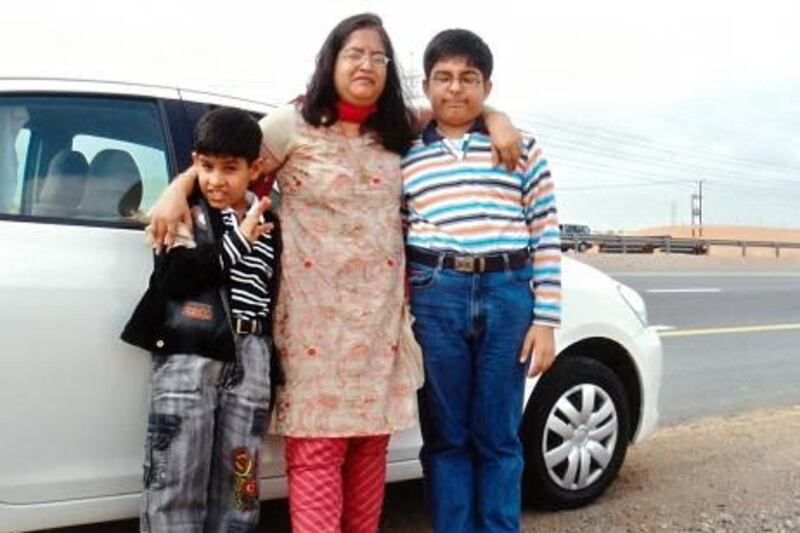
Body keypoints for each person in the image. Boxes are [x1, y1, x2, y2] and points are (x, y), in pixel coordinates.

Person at [147, 14, 521, 533]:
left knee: (369, 454)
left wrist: (498, 119)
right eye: (354, 53)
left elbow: (457, 106)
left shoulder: (399, 127)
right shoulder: (292, 124)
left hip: (378, 327)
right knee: (318, 454)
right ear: (331, 61)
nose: (366, 64)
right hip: (313, 326)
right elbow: (225, 159)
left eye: (377, 56)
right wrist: (178, 186)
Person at [402, 29, 562, 532]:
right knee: (447, 436)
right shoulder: (405, 151)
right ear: (426, 86)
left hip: (507, 293)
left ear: (487, 87)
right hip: (436, 294)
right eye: (443, 78)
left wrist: (546, 319)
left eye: (468, 78)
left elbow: (546, 231)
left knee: (499, 436)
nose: (455, 89)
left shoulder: (520, 147)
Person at [121, 107, 280, 532]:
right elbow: (175, 280)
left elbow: (271, 294)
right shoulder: (184, 212)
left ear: (255, 168)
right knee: (175, 479)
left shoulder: (269, 220)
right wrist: (236, 243)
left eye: (230, 169)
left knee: (241, 487)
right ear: (194, 163)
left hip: (252, 361)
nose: (216, 180)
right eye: (206, 167)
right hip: (190, 355)